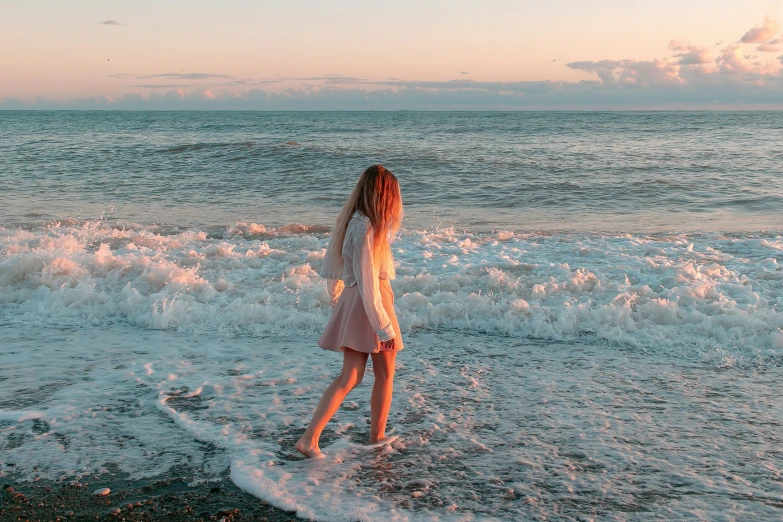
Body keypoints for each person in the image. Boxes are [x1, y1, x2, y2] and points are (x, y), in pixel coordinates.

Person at [296, 165, 404, 458]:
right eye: (393, 196)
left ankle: (314, 438)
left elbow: (339, 271)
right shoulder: (364, 226)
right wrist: (384, 327)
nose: (396, 203)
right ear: (382, 194)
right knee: (379, 374)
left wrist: (338, 301)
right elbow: (369, 280)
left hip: (358, 301)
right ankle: (371, 436)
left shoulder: (355, 222)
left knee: (353, 376)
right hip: (371, 303)